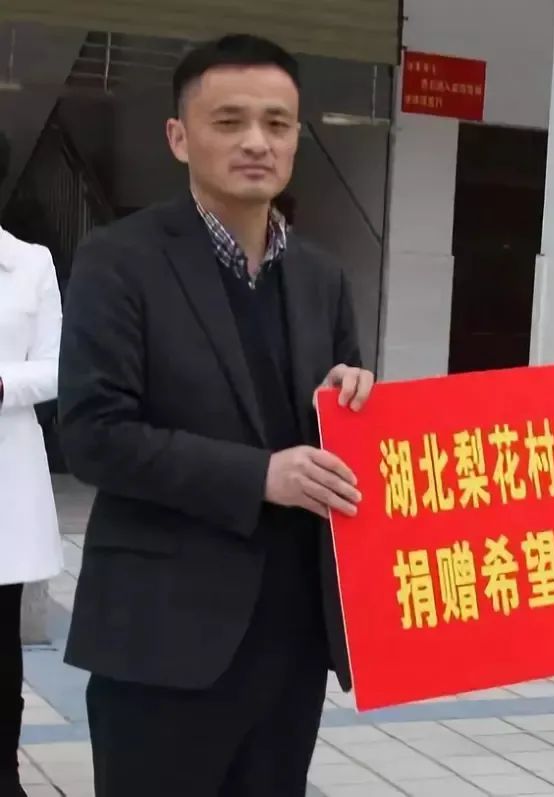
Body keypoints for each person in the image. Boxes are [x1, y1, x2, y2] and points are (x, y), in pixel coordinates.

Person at [57, 34, 372, 797]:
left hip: (294, 637)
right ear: (179, 136)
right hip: (163, 637)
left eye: (277, 123)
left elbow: (336, 447)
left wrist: (358, 403)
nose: (257, 141)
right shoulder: (118, 260)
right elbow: (94, 435)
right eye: (229, 121)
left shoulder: (323, 277)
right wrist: (260, 475)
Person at [0, 133, 64, 797]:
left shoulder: (30, 264)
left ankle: (5, 768)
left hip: (6, 476)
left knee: (1, 636)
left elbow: (56, 366)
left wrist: (1, 385)